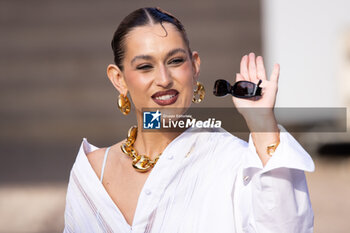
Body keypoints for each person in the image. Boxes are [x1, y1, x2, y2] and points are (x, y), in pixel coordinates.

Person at [63, 7, 315, 233]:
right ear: (119, 79)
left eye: (175, 61)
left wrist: (263, 126)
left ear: (194, 67)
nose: (163, 78)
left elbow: (287, 227)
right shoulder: (90, 173)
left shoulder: (233, 161)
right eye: (145, 66)